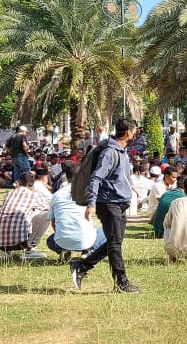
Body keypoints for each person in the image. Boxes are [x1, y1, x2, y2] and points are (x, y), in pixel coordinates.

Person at [70, 118, 140, 293]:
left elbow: (120, 174)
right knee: (115, 244)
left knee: (114, 242)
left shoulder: (122, 151)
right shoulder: (110, 152)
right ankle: (122, 283)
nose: (136, 132)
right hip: (108, 203)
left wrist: (131, 186)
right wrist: (91, 203)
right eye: (134, 130)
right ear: (128, 132)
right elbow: (96, 178)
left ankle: (82, 265)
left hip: (120, 202)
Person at [46, 161, 105, 262]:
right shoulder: (88, 193)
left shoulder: (56, 195)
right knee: (106, 232)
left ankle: (62, 249)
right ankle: (88, 251)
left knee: (50, 241)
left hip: (62, 240)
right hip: (85, 239)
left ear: (66, 176)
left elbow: (53, 222)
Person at [0, 172, 49, 261]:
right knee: (46, 215)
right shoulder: (34, 195)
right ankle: (29, 250)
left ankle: (5, 252)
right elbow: (48, 208)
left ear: (19, 182)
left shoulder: (9, 194)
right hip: (20, 242)